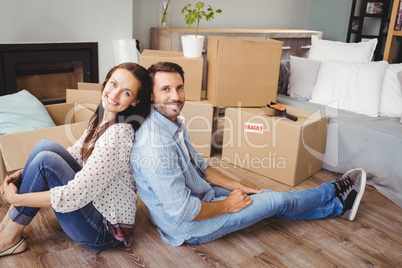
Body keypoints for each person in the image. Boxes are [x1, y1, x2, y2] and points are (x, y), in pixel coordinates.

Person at [131, 61, 367, 247]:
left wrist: (239, 186)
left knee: (265, 195)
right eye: (165, 89)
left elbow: (201, 166)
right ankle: (334, 189)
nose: (176, 96)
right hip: (189, 225)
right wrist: (227, 206)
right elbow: (182, 211)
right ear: (152, 95)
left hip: (199, 195)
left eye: (179, 87)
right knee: (278, 200)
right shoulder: (155, 145)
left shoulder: (170, 121)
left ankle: (338, 207)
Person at [0, 62, 152, 256]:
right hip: (95, 205)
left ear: (135, 101)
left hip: (104, 231)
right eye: (113, 84)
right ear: (105, 83)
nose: (114, 95)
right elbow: (76, 153)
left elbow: (75, 195)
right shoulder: (105, 117)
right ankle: (5, 228)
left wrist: (17, 198)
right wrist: (24, 173)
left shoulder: (118, 134)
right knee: (45, 146)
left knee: (46, 160)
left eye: (126, 92)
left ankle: (7, 239)